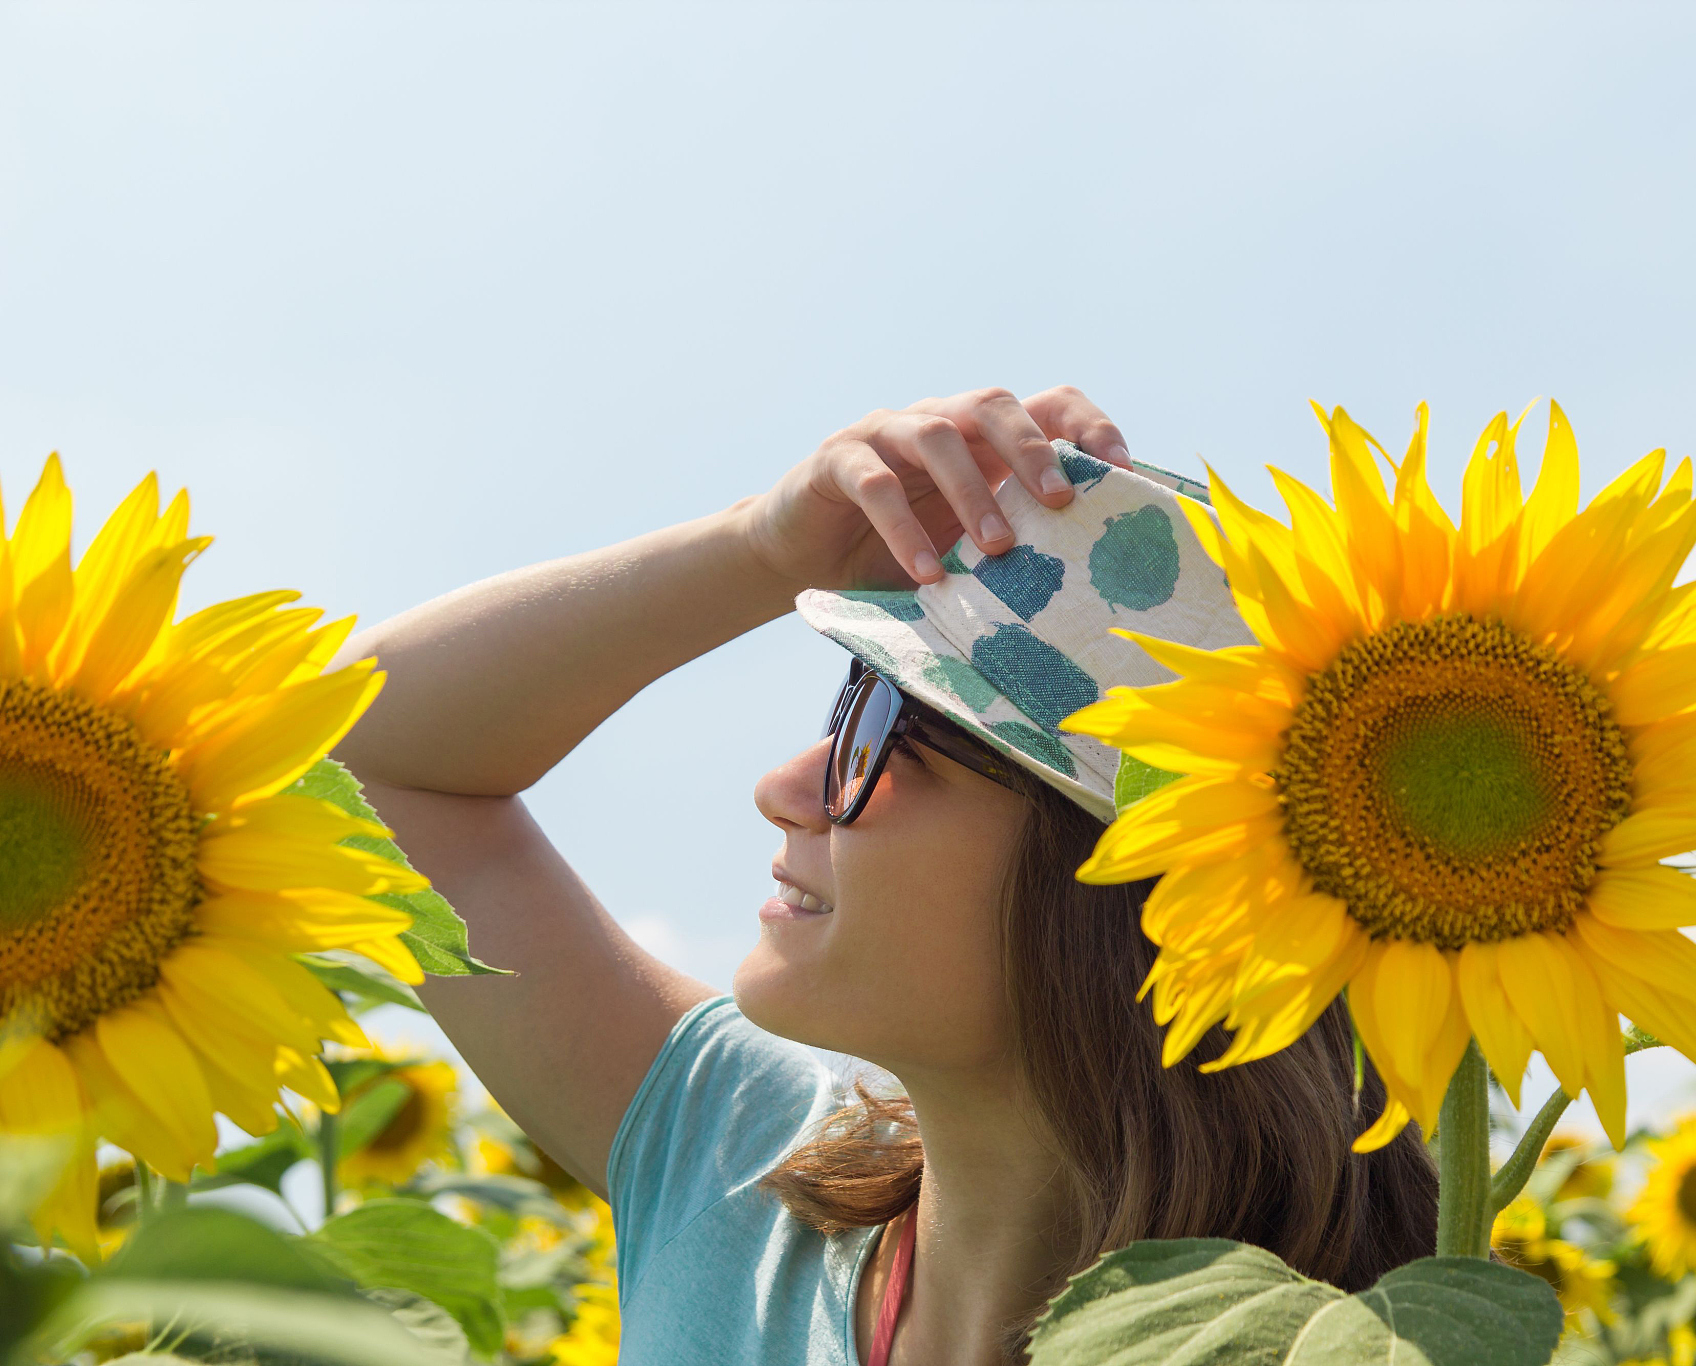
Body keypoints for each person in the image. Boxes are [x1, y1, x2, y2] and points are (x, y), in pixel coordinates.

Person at [330, 385, 1438, 1366]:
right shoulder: (742, 1165)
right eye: (843, 704)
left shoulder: (1333, 1340)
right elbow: (352, 756)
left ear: (1108, 882)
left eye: (888, 739)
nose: (784, 785)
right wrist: (761, 551)